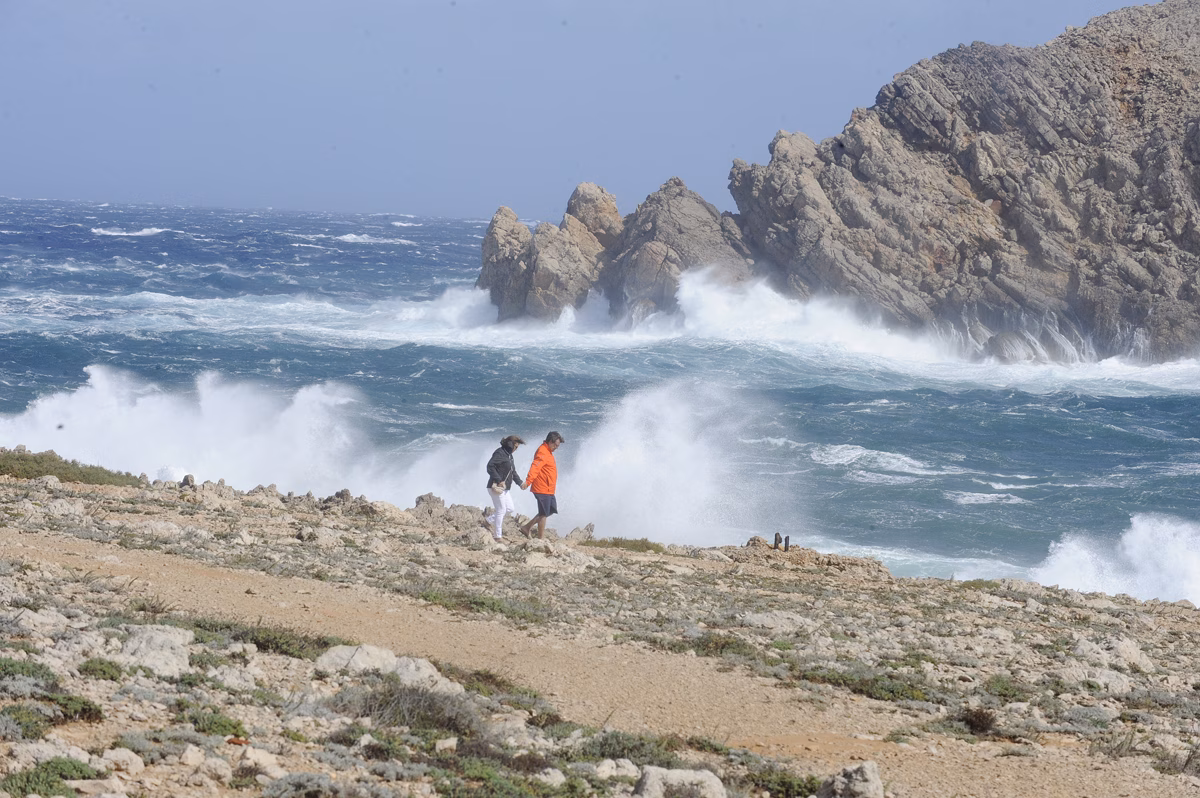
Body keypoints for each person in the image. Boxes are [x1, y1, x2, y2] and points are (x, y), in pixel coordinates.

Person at [519, 431, 564, 539]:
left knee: (551, 510)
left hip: (549, 488)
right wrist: (528, 481)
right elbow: (535, 467)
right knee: (543, 513)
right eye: (556, 445)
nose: (557, 448)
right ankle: (541, 539)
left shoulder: (548, 452)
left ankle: (527, 527)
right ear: (550, 441)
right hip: (542, 487)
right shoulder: (543, 451)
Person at [483, 435, 527, 542]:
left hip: (505, 489)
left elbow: (513, 472)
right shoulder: (500, 453)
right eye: (516, 447)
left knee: (509, 509)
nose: (516, 449)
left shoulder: (509, 456)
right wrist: (498, 480)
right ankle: (498, 536)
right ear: (510, 445)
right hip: (496, 487)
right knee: (501, 510)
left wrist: (520, 483)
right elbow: (490, 466)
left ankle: (488, 521)